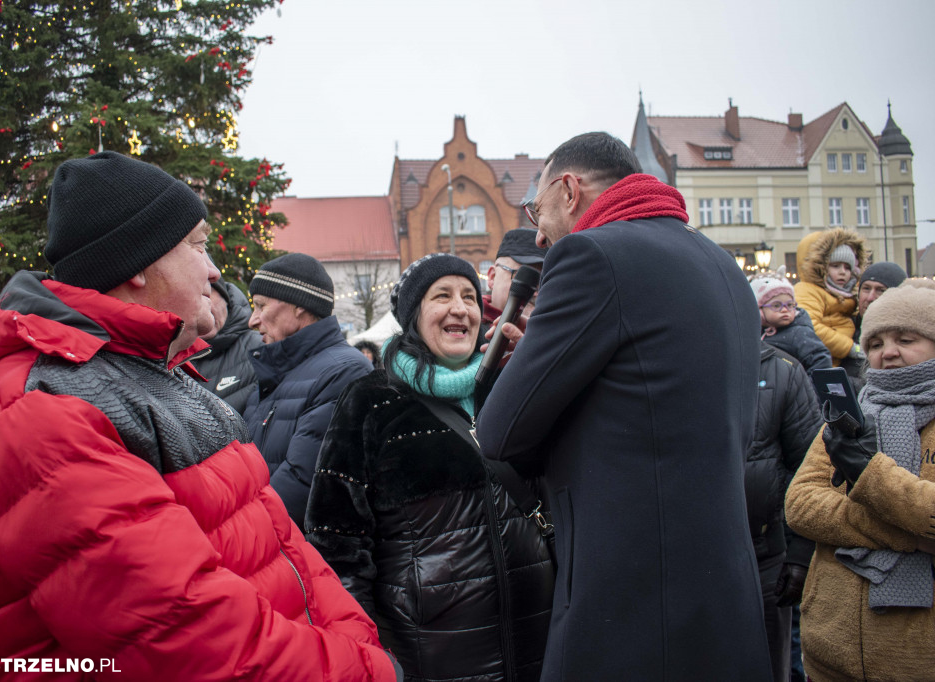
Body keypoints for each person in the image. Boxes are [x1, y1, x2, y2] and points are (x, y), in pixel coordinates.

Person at [0, 151, 400, 680]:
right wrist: (366, 671)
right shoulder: (45, 412)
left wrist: (356, 642)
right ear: (138, 263)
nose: (214, 270)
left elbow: (286, 548)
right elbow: (190, 639)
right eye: (199, 245)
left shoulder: (160, 372)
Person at [476, 132, 771, 680]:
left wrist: (531, 359)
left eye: (535, 211)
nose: (537, 236)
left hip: (630, 605)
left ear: (569, 189)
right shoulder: (721, 264)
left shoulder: (591, 255)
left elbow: (499, 433)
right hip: (724, 596)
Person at [306, 253, 553, 682]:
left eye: (469, 297)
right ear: (413, 316)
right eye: (442, 296)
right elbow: (337, 544)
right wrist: (368, 650)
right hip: (428, 658)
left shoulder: (511, 387)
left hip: (541, 643)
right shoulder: (370, 400)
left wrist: (542, 361)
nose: (461, 308)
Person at [785, 283, 935, 681]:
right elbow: (800, 504)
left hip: (917, 660)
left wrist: (869, 472)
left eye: (907, 339)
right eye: (874, 343)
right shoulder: (851, 416)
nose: (887, 352)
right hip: (832, 650)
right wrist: (908, 535)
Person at [243, 253, 373, 529]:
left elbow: (301, 486)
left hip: (301, 555)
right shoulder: (276, 373)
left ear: (298, 305)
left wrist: (238, 531)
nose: (252, 321)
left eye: (261, 306)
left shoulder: (344, 371)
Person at [746, 339, 822, 682]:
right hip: (682, 558)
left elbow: (813, 469)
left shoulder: (782, 370)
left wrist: (802, 553)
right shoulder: (665, 361)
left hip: (764, 558)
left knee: (767, 667)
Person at [793, 228, 868, 369]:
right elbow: (810, 326)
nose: (842, 272)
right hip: (818, 364)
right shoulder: (807, 289)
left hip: (834, 363)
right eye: (835, 266)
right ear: (821, 267)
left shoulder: (847, 296)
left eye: (847, 267)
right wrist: (851, 348)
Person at [190, 278, 263, 411]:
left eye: (206, 294)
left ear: (225, 296)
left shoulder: (263, 349)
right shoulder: (165, 359)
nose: (203, 306)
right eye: (192, 296)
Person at [751, 272, 832, 375]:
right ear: (760, 309)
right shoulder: (755, 333)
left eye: (790, 305)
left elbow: (821, 360)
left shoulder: (799, 333)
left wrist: (806, 387)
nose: (785, 310)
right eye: (776, 306)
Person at [483, 227, 547, 327]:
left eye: (543, 280)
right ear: (492, 277)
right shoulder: (465, 329)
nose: (534, 291)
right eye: (522, 277)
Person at [853, 261, 907, 342]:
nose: (870, 298)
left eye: (881, 290)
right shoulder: (843, 330)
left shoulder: (909, 338)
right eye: (866, 288)